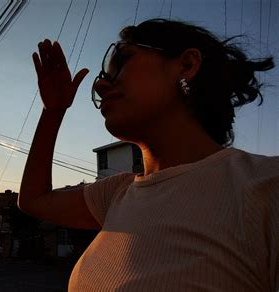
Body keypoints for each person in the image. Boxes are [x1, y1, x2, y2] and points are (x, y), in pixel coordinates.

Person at [18, 18, 278, 291]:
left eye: (122, 62)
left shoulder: (266, 186)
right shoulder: (116, 194)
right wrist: (53, 111)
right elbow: (35, 200)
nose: (100, 87)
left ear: (187, 65)